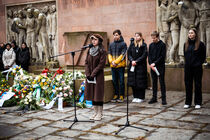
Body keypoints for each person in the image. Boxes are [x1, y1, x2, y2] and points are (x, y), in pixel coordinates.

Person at [84, 34, 106, 121]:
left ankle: (100, 113)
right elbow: (86, 63)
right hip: (90, 76)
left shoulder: (102, 51)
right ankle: (95, 112)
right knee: (92, 94)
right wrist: (88, 74)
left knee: (98, 94)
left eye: (95, 39)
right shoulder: (89, 50)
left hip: (98, 76)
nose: (93, 41)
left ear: (99, 41)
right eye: (92, 39)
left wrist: (93, 74)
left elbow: (101, 64)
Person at [183, 28, 206, 109]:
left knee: (197, 85)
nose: (190, 34)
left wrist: (198, 63)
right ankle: (188, 102)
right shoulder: (186, 44)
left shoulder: (200, 44)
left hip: (197, 68)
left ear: (195, 34)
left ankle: (198, 102)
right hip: (188, 68)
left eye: (192, 33)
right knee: (188, 85)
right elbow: (185, 55)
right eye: (189, 33)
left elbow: (203, 56)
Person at [128, 32, 148, 103]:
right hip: (133, 65)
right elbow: (129, 54)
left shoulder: (144, 45)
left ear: (141, 37)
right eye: (135, 36)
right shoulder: (132, 45)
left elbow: (144, 55)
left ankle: (141, 97)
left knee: (140, 82)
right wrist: (132, 60)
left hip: (140, 66)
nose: (136, 37)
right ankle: (135, 96)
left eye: (138, 36)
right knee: (134, 82)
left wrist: (137, 61)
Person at [148, 31, 167, 105]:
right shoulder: (151, 45)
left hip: (160, 66)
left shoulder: (162, 45)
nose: (153, 39)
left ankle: (164, 98)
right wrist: (151, 64)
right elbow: (149, 56)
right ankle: (154, 97)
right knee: (154, 82)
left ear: (157, 37)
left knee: (162, 82)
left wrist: (155, 63)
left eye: (154, 38)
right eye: (152, 38)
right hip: (152, 67)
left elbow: (162, 56)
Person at [108, 29, 127, 103]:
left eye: (116, 35)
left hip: (120, 66)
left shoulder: (123, 44)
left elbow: (123, 55)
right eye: (114, 35)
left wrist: (116, 62)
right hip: (113, 66)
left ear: (119, 35)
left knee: (121, 81)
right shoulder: (111, 44)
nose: (115, 36)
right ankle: (116, 94)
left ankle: (121, 95)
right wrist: (111, 62)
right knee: (114, 81)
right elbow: (109, 53)